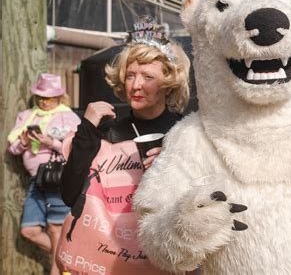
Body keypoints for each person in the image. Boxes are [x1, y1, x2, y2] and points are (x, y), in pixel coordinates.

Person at [55, 16, 190, 274]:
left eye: (147, 76)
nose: (136, 85)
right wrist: (87, 129)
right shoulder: (108, 133)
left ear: (168, 83)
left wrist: (174, 168)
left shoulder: (187, 132)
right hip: (112, 259)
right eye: (130, 75)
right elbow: (70, 195)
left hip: (169, 261)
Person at [7, 73, 81, 275]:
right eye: (40, 96)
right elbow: (12, 149)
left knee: (56, 229)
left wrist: (52, 143)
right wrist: (23, 142)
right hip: (36, 180)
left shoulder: (68, 116)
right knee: (28, 230)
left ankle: (59, 270)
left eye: (48, 97)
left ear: (59, 97)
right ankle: (76, 258)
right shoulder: (27, 116)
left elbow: (76, 148)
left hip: (56, 179)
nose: (43, 101)